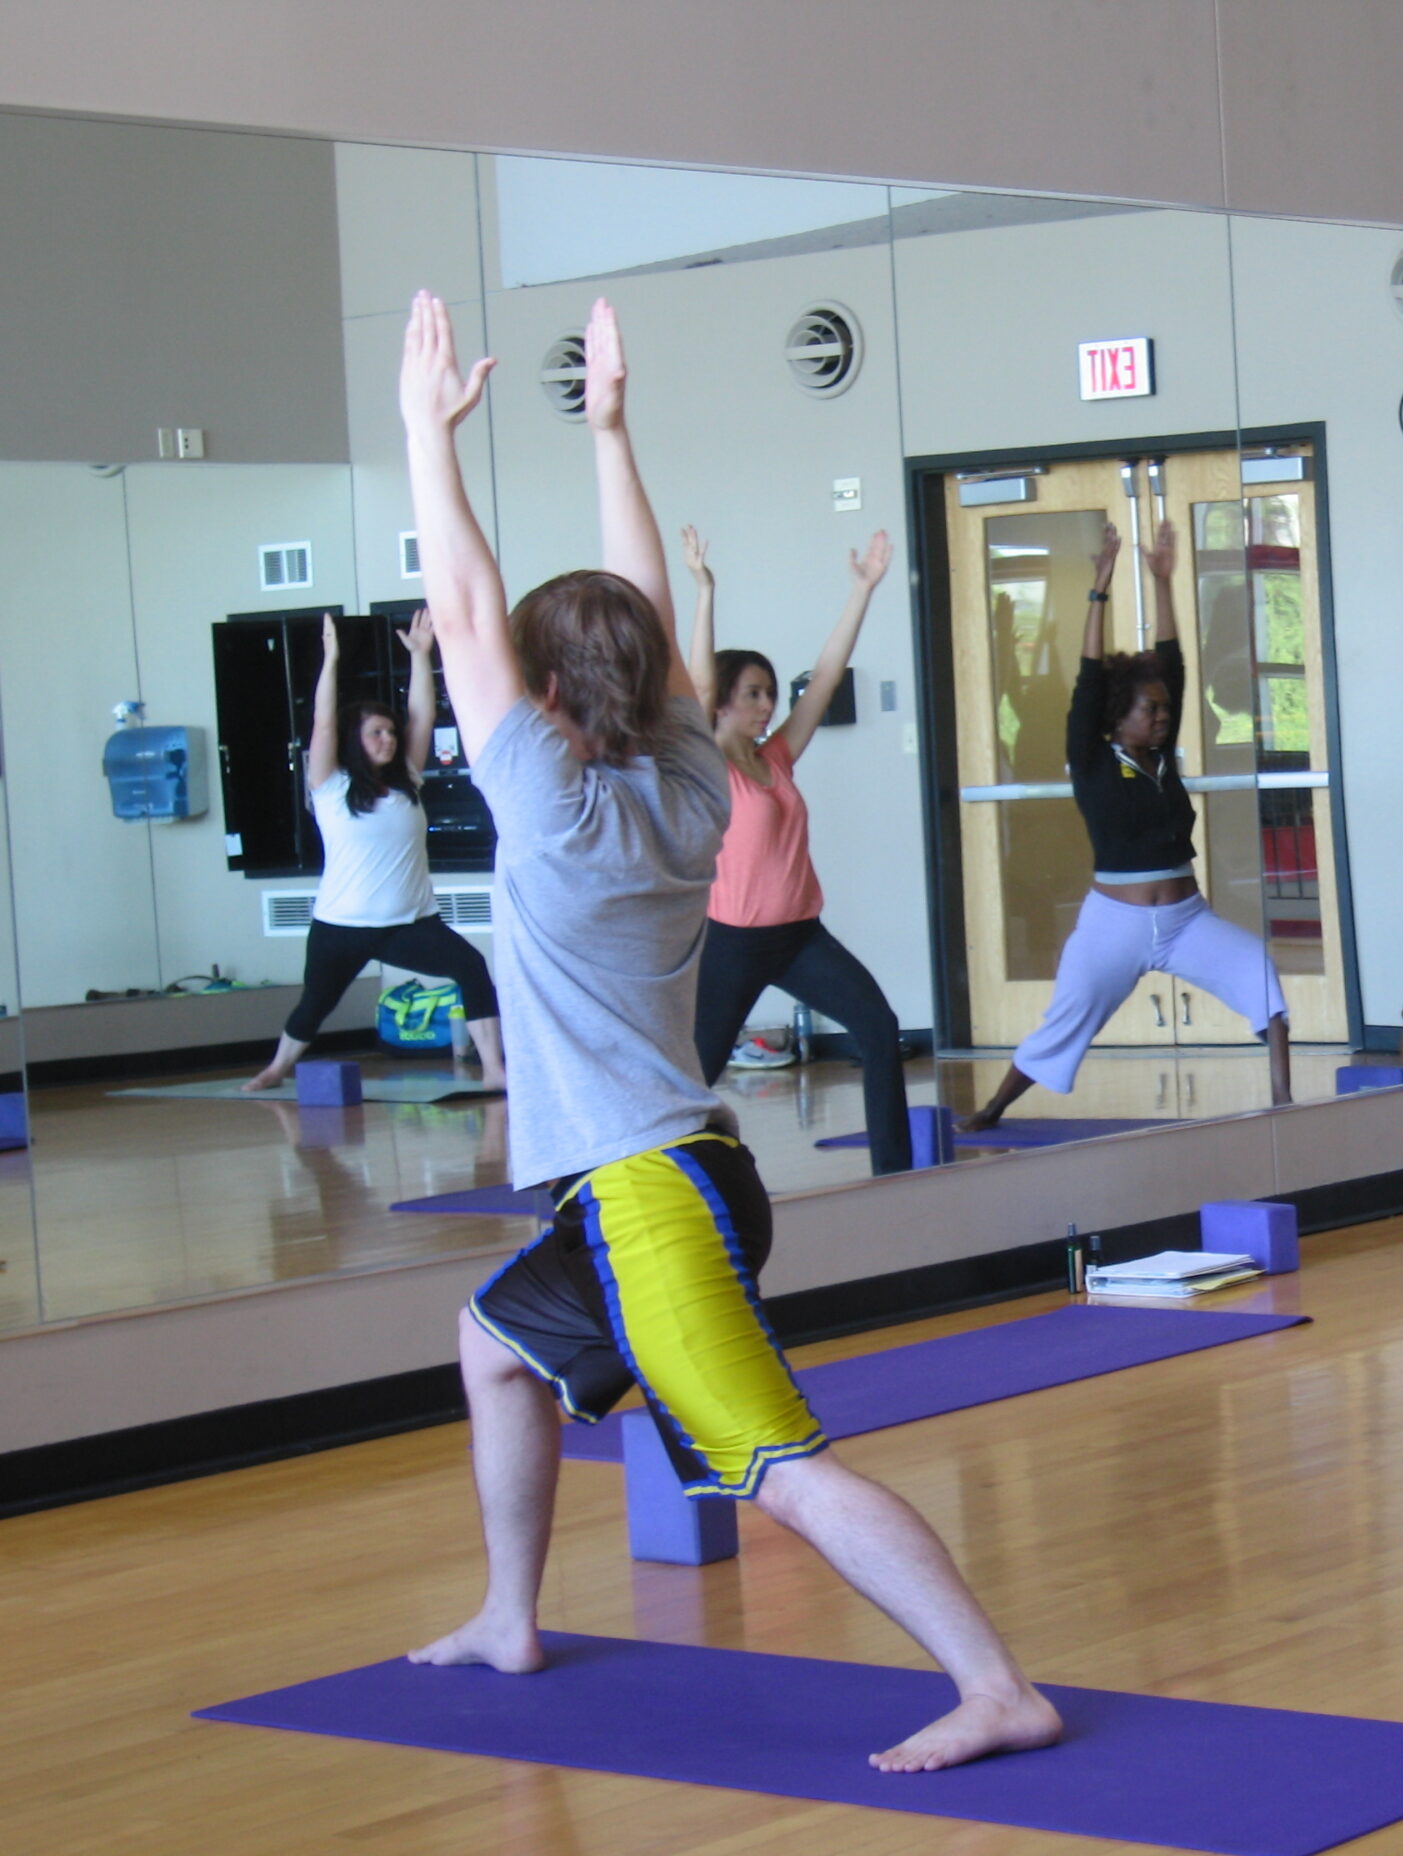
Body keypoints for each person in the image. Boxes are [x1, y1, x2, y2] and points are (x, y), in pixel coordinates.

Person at [395, 289, 1056, 1770]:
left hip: (650, 1201)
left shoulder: (555, 808)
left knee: (780, 1468)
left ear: (549, 696)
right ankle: (511, 1615)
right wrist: (612, 431)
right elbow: (630, 604)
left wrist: (423, 439)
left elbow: (459, 603)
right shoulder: (691, 777)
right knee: (492, 1345)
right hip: (677, 1171)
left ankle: (994, 1684)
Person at [959, 517, 1289, 1131]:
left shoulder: (1159, 759)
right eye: (1151, 709)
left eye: (1166, 709)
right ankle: (994, 1107)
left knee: (1259, 974)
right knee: (1069, 1015)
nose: (1163, 717)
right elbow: (1088, 680)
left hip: (1187, 920)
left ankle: (1281, 1099)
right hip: (1116, 923)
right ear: (1119, 714)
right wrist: (1100, 587)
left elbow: (1173, 663)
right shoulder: (1091, 758)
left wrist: (1163, 582)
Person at [681, 525, 914, 1173]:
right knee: (695, 1074)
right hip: (731, 942)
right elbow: (695, 688)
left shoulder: (775, 757)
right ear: (724, 698)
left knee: (877, 1026)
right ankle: (677, 1178)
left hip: (801, 937)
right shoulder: (707, 766)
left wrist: (861, 591)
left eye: (770, 694)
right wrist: (704, 592)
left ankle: (894, 1174)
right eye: (754, 693)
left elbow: (826, 678)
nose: (768, 705)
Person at [244, 607, 504, 1092]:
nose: (388, 738)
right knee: (316, 1003)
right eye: (376, 733)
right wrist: (332, 658)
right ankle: (276, 1069)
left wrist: (423, 657)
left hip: (408, 924)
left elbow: (422, 714)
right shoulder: (329, 787)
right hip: (340, 926)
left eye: (389, 731)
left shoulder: (406, 779)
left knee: (470, 967)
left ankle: (493, 1070)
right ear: (354, 743)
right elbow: (322, 724)